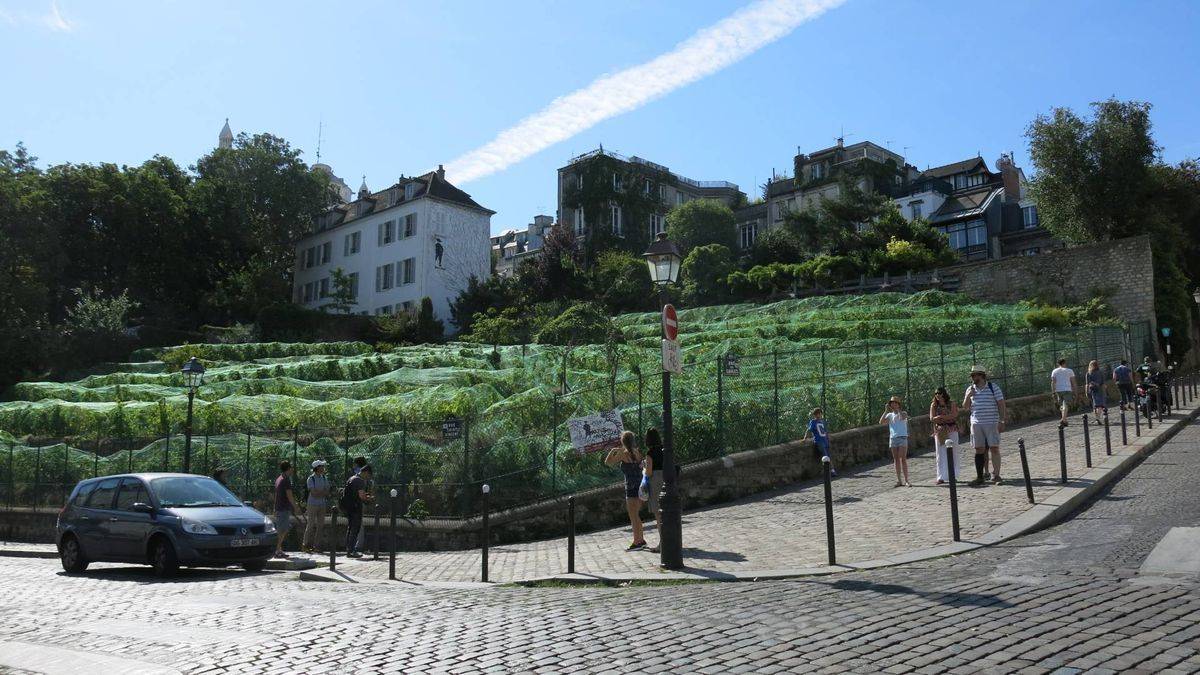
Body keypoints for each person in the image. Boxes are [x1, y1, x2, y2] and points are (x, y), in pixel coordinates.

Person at [963, 365, 1007, 486]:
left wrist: (1002, 421)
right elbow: (965, 407)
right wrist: (968, 396)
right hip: (976, 423)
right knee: (979, 450)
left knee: (994, 448)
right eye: (972, 375)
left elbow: (1001, 404)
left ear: (981, 375)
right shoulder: (970, 389)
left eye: (974, 375)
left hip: (992, 422)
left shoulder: (993, 388)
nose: (972, 378)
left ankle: (996, 474)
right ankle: (980, 476)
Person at [604, 431, 647, 551]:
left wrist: (613, 451)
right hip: (640, 486)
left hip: (631, 487)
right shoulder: (637, 452)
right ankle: (641, 539)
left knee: (633, 516)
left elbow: (608, 462)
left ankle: (636, 541)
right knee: (636, 515)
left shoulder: (624, 453)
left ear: (623, 441)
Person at [929, 387, 960, 485]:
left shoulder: (951, 403)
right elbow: (932, 418)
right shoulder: (934, 405)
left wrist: (942, 417)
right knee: (940, 453)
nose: (937, 395)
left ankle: (953, 475)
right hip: (940, 430)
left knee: (953, 452)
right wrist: (938, 418)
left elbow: (954, 415)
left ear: (944, 394)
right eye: (936, 393)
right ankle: (941, 476)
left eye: (939, 393)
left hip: (952, 429)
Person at [879, 396, 911, 487]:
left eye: (895, 403)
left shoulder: (903, 413)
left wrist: (898, 410)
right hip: (893, 438)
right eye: (892, 403)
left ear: (898, 404)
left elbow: (901, 417)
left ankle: (906, 480)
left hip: (902, 437)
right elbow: (881, 422)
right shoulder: (889, 415)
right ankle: (899, 480)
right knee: (896, 459)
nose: (893, 404)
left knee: (903, 458)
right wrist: (885, 411)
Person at [343, 464, 373, 558]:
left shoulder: (351, 478)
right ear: (366, 472)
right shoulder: (359, 481)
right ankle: (351, 551)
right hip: (355, 508)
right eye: (368, 475)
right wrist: (369, 498)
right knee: (355, 529)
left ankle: (348, 549)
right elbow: (361, 496)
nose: (368, 478)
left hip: (348, 507)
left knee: (350, 528)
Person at [643, 428, 665, 554]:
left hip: (656, 481)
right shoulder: (665, 449)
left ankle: (662, 543)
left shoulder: (650, 453)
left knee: (658, 513)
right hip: (667, 479)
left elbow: (649, 471)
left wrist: (644, 467)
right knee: (668, 513)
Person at [302, 460, 330, 554]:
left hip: (322, 504)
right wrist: (322, 492)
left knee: (320, 525)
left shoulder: (324, 477)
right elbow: (313, 493)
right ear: (317, 467)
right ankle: (306, 545)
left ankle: (317, 546)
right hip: (312, 504)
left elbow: (327, 491)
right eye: (322, 466)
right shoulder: (311, 479)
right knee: (310, 525)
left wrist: (319, 492)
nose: (323, 467)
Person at [273, 461, 298, 559]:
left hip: (280, 507)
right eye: (291, 467)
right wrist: (295, 507)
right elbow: (290, 496)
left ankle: (279, 549)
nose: (292, 469)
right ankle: (276, 550)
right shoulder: (286, 480)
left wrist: (274, 507)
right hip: (283, 508)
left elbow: (276, 495)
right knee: (282, 530)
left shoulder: (279, 478)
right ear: (288, 468)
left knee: (282, 530)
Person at [802, 408, 835, 476]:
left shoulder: (822, 422)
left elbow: (825, 432)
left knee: (828, 455)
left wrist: (828, 440)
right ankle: (831, 471)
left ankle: (831, 470)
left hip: (825, 441)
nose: (819, 415)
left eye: (820, 413)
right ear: (815, 415)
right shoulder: (813, 422)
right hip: (819, 441)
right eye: (817, 413)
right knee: (825, 455)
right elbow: (809, 430)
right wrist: (805, 438)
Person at [1050, 358, 1076, 427]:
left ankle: (1064, 420)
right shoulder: (1069, 371)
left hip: (1058, 390)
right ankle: (1063, 419)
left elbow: (1053, 382)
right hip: (1067, 389)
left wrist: (1053, 392)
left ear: (1058, 364)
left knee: (1062, 405)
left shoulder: (1054, 371)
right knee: (1066, 405)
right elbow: (1073, 382)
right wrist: (1075, 391)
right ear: (1064, 363)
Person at [351, 456, 369, 552]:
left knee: (357, 524)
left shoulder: (358, 473)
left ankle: (357, 545)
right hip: (360, 500)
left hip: (357, 501)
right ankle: (357, 544)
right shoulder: (364, 473)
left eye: (354, 463)